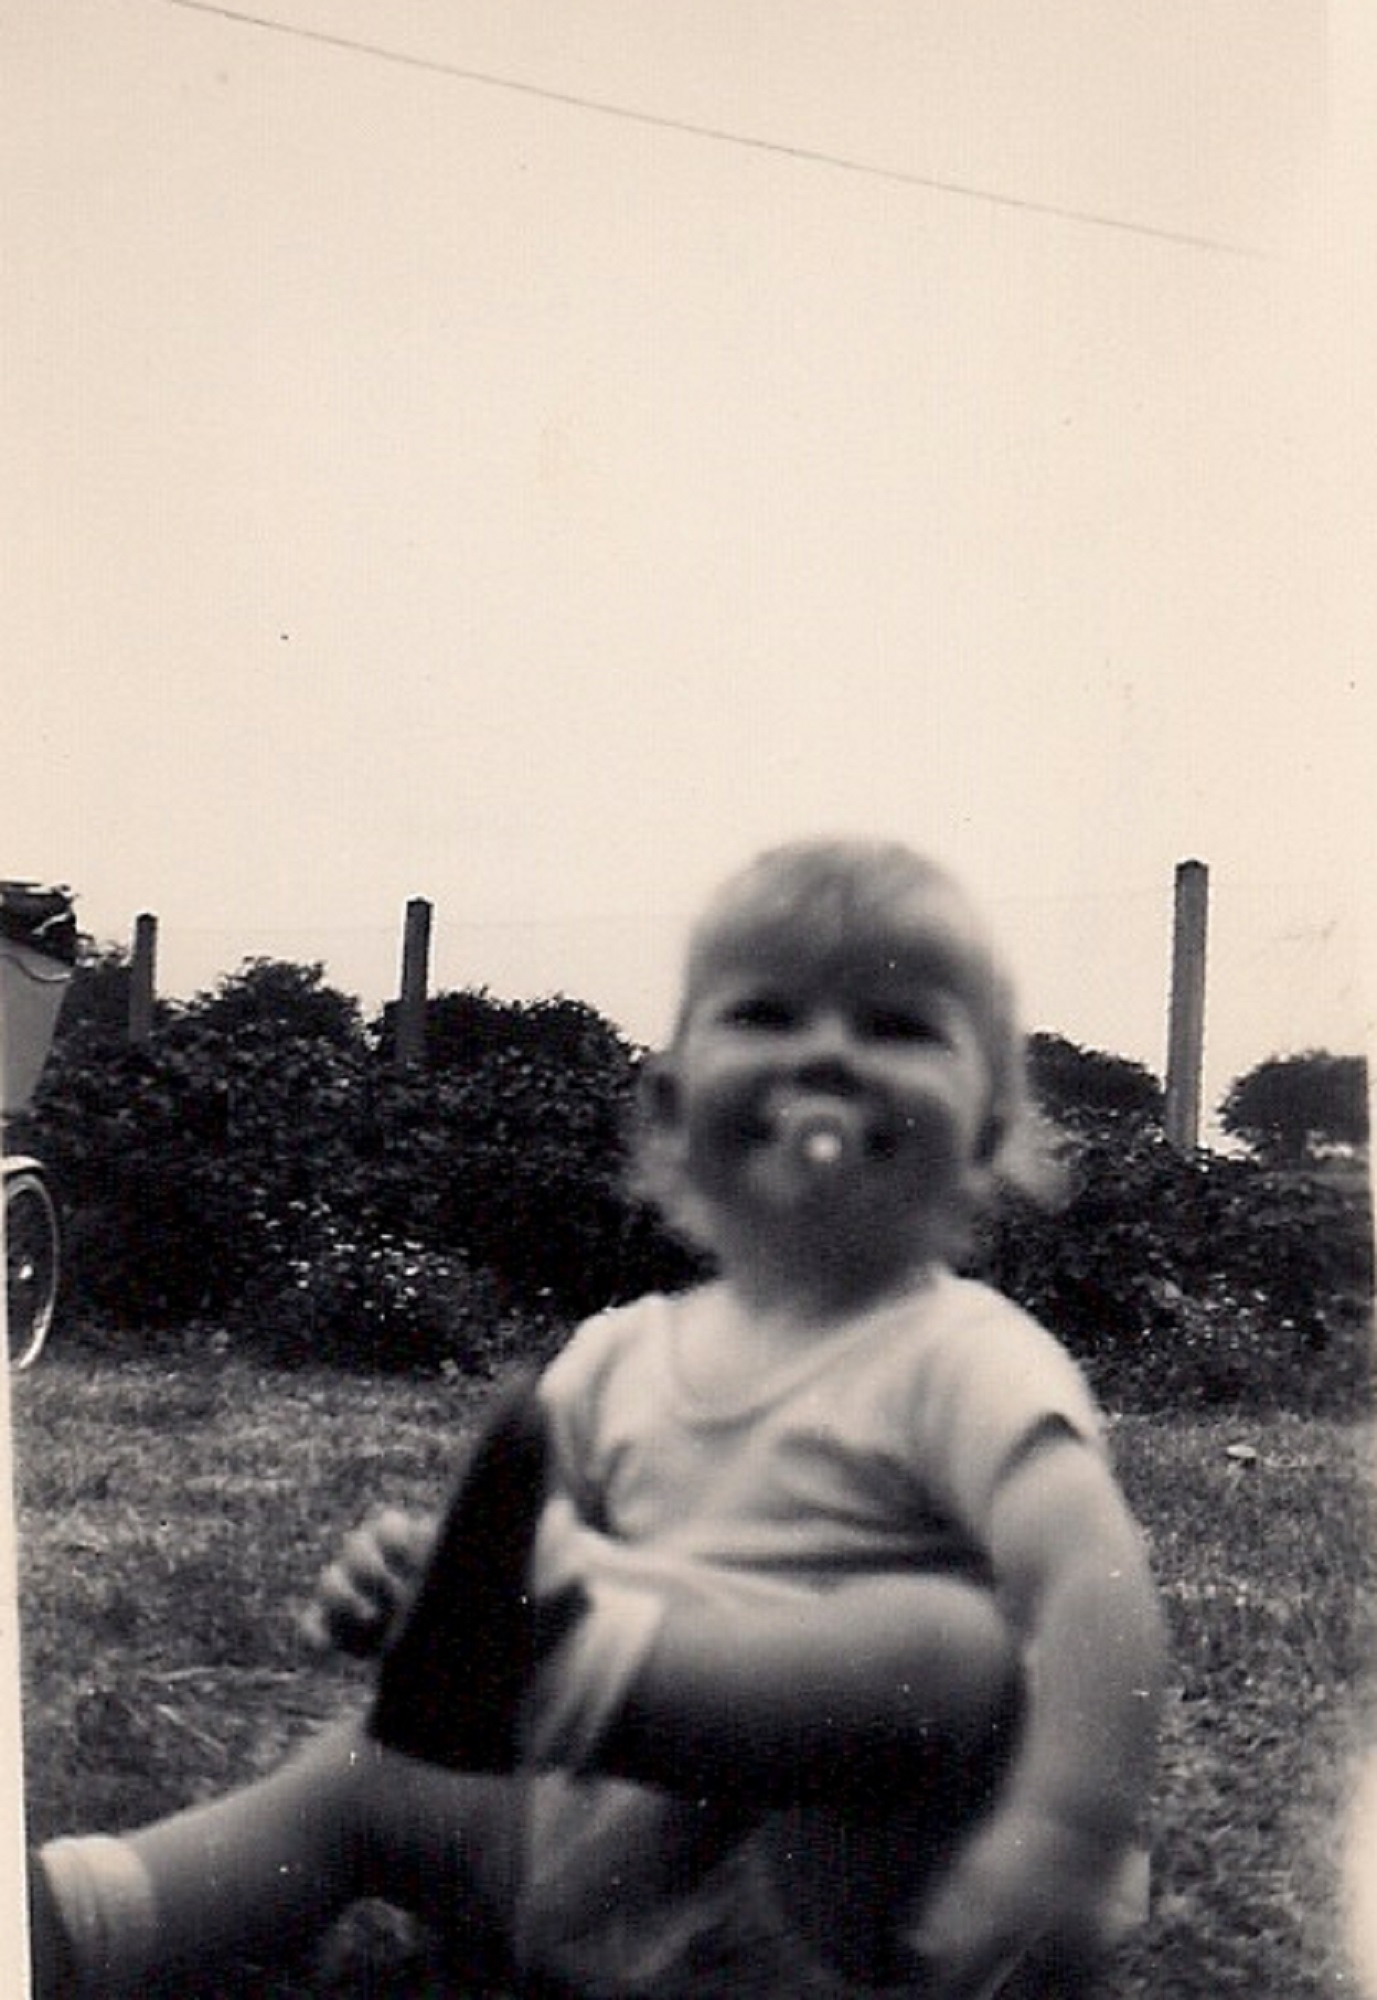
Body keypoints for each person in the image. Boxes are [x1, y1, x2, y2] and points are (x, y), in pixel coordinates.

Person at [30, 838, 1166, 1998]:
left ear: (985, 1127)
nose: (828, 1049)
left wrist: (1071, 1824)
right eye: (767, 1013)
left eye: (898, 1025)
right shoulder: (618, 1357)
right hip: (599, 1868)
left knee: (951, 1650)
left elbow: (1091, 1576)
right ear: (672, 1110)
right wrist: (426, 1594)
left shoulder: (965, 1357)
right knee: (371, 1771)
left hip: (843, 1897)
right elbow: (521, 1575)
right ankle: (81, 1914)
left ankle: (584, 1674)